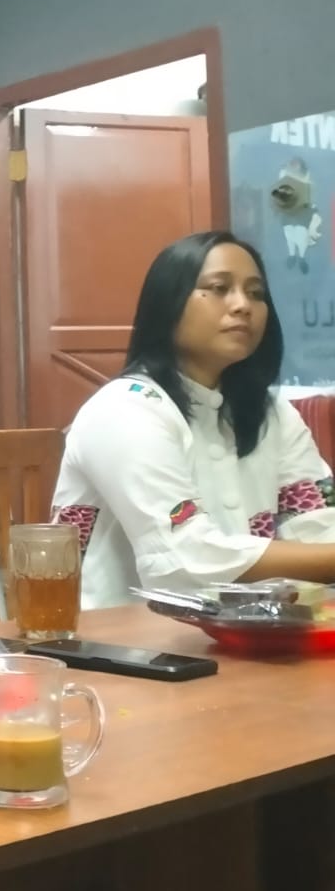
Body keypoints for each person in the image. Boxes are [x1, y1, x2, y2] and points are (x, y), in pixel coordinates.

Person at [53, 230, 335, 609]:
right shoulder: (123, 409)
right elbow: (183, 560)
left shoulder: (272, 414)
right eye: (219, 288)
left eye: (256, 293)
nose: (243, 305)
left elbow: (317, 526)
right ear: (168, 304)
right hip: (118, 636)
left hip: (253, 627)